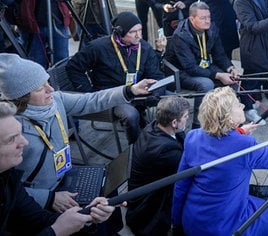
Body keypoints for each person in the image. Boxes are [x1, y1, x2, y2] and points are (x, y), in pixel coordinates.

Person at [0, 53, 155, 232]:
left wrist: (130, 90)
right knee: (91, 221)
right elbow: (9, 187)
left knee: (109, 194)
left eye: (48, 82)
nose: (50, 89)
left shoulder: (55, 100)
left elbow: (91, 100)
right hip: (41, 195)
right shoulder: (10, 127)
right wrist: (49, 198)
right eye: (40, 88)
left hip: (66, 175)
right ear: (21, 97)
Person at [171, 86, 268, 235]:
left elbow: (181, 184)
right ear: (228, 118)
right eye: (236, 104)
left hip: (192, 219)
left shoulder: (193, 136)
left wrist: (176, 222)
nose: (241, 105)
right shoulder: (244, 145)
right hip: (222, 226)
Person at [0, 101, 119, 235]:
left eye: (20, 133)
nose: (24, 142)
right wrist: (56, 231)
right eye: (11, 139)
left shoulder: (8, 177)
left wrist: (86, 217)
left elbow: (36, 219)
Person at [66, 12, 165, 144]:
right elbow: (73, 67)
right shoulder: (98, 47)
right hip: (111, 96)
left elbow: (155, 74)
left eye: (140, 30)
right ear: (120, 32)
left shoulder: (144, 47)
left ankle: (165, 142)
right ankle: (136, 150)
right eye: (133, 32)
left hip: (139, 92)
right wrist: (89, 93)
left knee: (171, 104)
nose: (139, 35)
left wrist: (157, 92)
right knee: (131, 115)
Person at [163, 1, 237, 128]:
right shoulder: (180, 35)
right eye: (203, 18)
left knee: (233, 79)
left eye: (208, 17)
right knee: (206, 84)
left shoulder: (212, 28)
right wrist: (218, 75)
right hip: (181, 71)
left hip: (202, 65)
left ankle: (224, 119)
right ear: (192, 19)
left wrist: (230, 67)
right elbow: (190, 67)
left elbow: (219, 54)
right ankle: (198, 125)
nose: (207, 21)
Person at [126, 96, 189, 236]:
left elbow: (182, 141)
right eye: (185, 116)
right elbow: (191, 169)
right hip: (149, 209)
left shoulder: (154, 126)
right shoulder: (165, 152)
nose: (188, 118)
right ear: (174, 122)